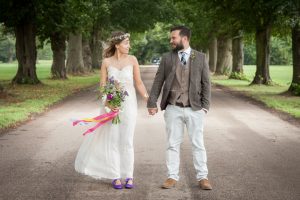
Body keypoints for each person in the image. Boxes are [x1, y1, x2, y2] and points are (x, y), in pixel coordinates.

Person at [75, 31, 149, 189]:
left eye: (129, 43)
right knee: (113, 140)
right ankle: (115, 176)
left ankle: (129, 176)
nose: (129, 46)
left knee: (127, 141)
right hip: (112, 105)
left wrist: (147, 98)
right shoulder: (106, 62)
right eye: (126, 43)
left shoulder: (133, 59)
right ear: (117, 45)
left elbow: (139, 83)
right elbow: (103, 86)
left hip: (129, 105)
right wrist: (108, 104)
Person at [147, 25, 212, 190]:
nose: (171, 41)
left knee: (198, 144)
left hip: (195, 108)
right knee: (172, 144)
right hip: (173, 107)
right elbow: (158, 81)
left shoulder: (201, 57)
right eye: (171, 38)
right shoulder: (167, 58)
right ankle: (171, 177)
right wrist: (151, 102)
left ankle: (203, 177)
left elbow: (206, 84)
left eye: (173, 38)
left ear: (184, 38)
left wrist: (205, 107)